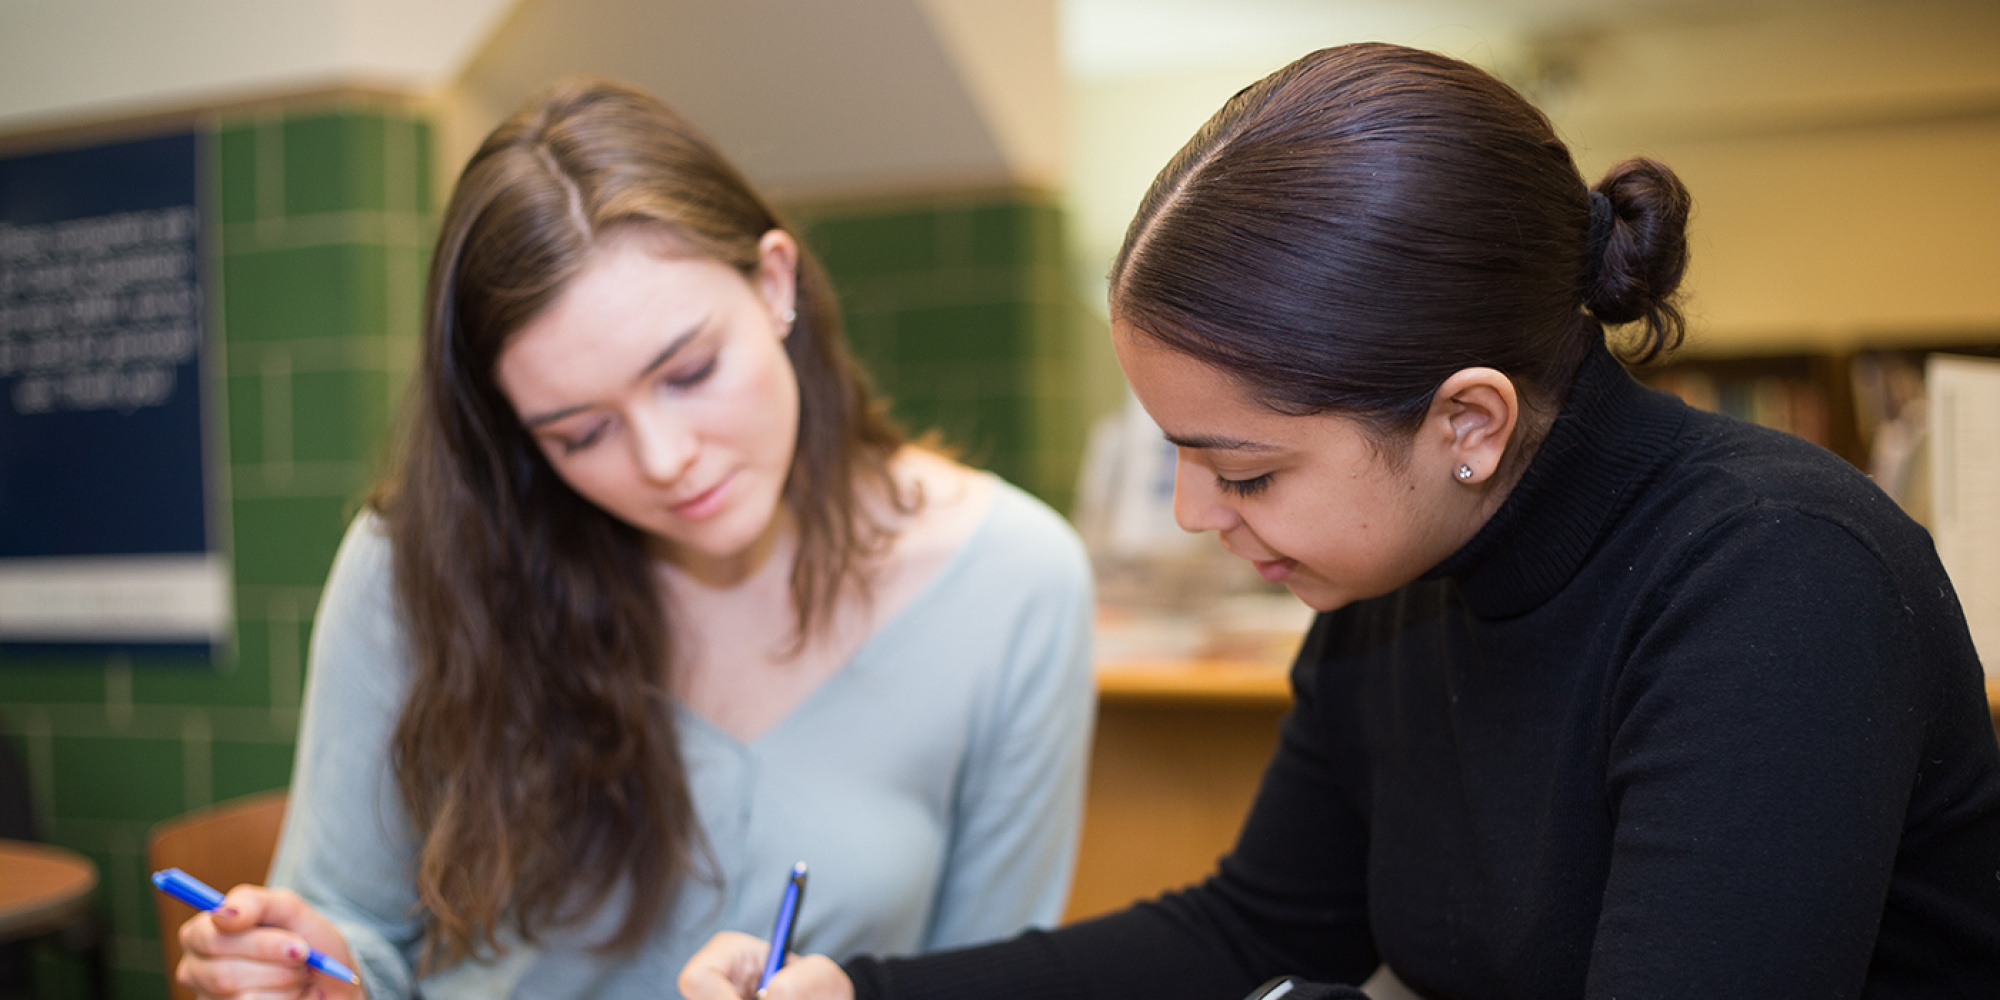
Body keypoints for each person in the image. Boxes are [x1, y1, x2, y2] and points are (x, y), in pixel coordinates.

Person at [680, 42, 2000, 1000]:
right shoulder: (1404, 583)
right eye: (1179, 460)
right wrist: (865, 994)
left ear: (1468, 426)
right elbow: (1259, 928)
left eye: (1246, 472)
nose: (1197, 513)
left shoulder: (1780, 581)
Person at [169, 79, 1096, 1000]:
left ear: (775, 282)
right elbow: (353, 929)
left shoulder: (1015, 580)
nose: (664, 461)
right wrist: (301, 972)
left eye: (688, 372)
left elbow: (996, 974)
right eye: (579, 433)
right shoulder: (419, 560)